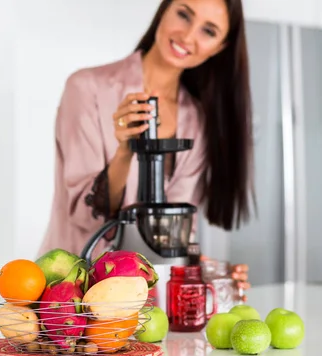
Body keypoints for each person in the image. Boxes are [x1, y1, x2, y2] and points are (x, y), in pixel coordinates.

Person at [38, 0, 252, 292]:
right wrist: (125, 151)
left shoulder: (197, 122)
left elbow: (166, 238)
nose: (188, 36)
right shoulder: (86, 89)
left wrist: (206, 274)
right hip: (70, 295)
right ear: (164, 10)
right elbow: (83, 215)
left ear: (219, 47)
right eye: (183, 14)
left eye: (208, 31)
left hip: (144, 303)